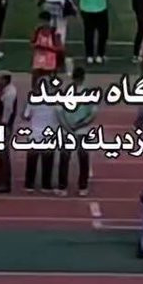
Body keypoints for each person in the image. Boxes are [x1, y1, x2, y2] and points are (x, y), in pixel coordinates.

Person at [22, 68, 60, 193]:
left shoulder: (33, 101)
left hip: (35, 134)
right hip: (49, 135)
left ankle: (29, 184)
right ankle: (46, 185)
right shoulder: (55, 101)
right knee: (48, 162)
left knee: (32, 162)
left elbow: (26, 116)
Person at [56, 65, 91, 197]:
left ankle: (62, 187)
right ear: (83, 77)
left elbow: (59, 112)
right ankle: (83, 187)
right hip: (82, 130)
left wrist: (67, 127)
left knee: (65, 158)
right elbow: (92, 114)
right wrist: (80, 125)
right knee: (83, 158)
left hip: (67, 130)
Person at [77, 0, 111, 64]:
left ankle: (89, 56)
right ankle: (100, 55)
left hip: (86, 9)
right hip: (100, 8)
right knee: (102, 33)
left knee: (88, 32)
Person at [0, 72, 18, 193]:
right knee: (0, 153)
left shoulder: (9, 93)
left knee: (3, 153)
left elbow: (8, 110)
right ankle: (0, 178)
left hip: (4, 127)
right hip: (2, 125)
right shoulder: (5, 90)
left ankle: (5, 183)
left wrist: (2, 123)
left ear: (5, 80)